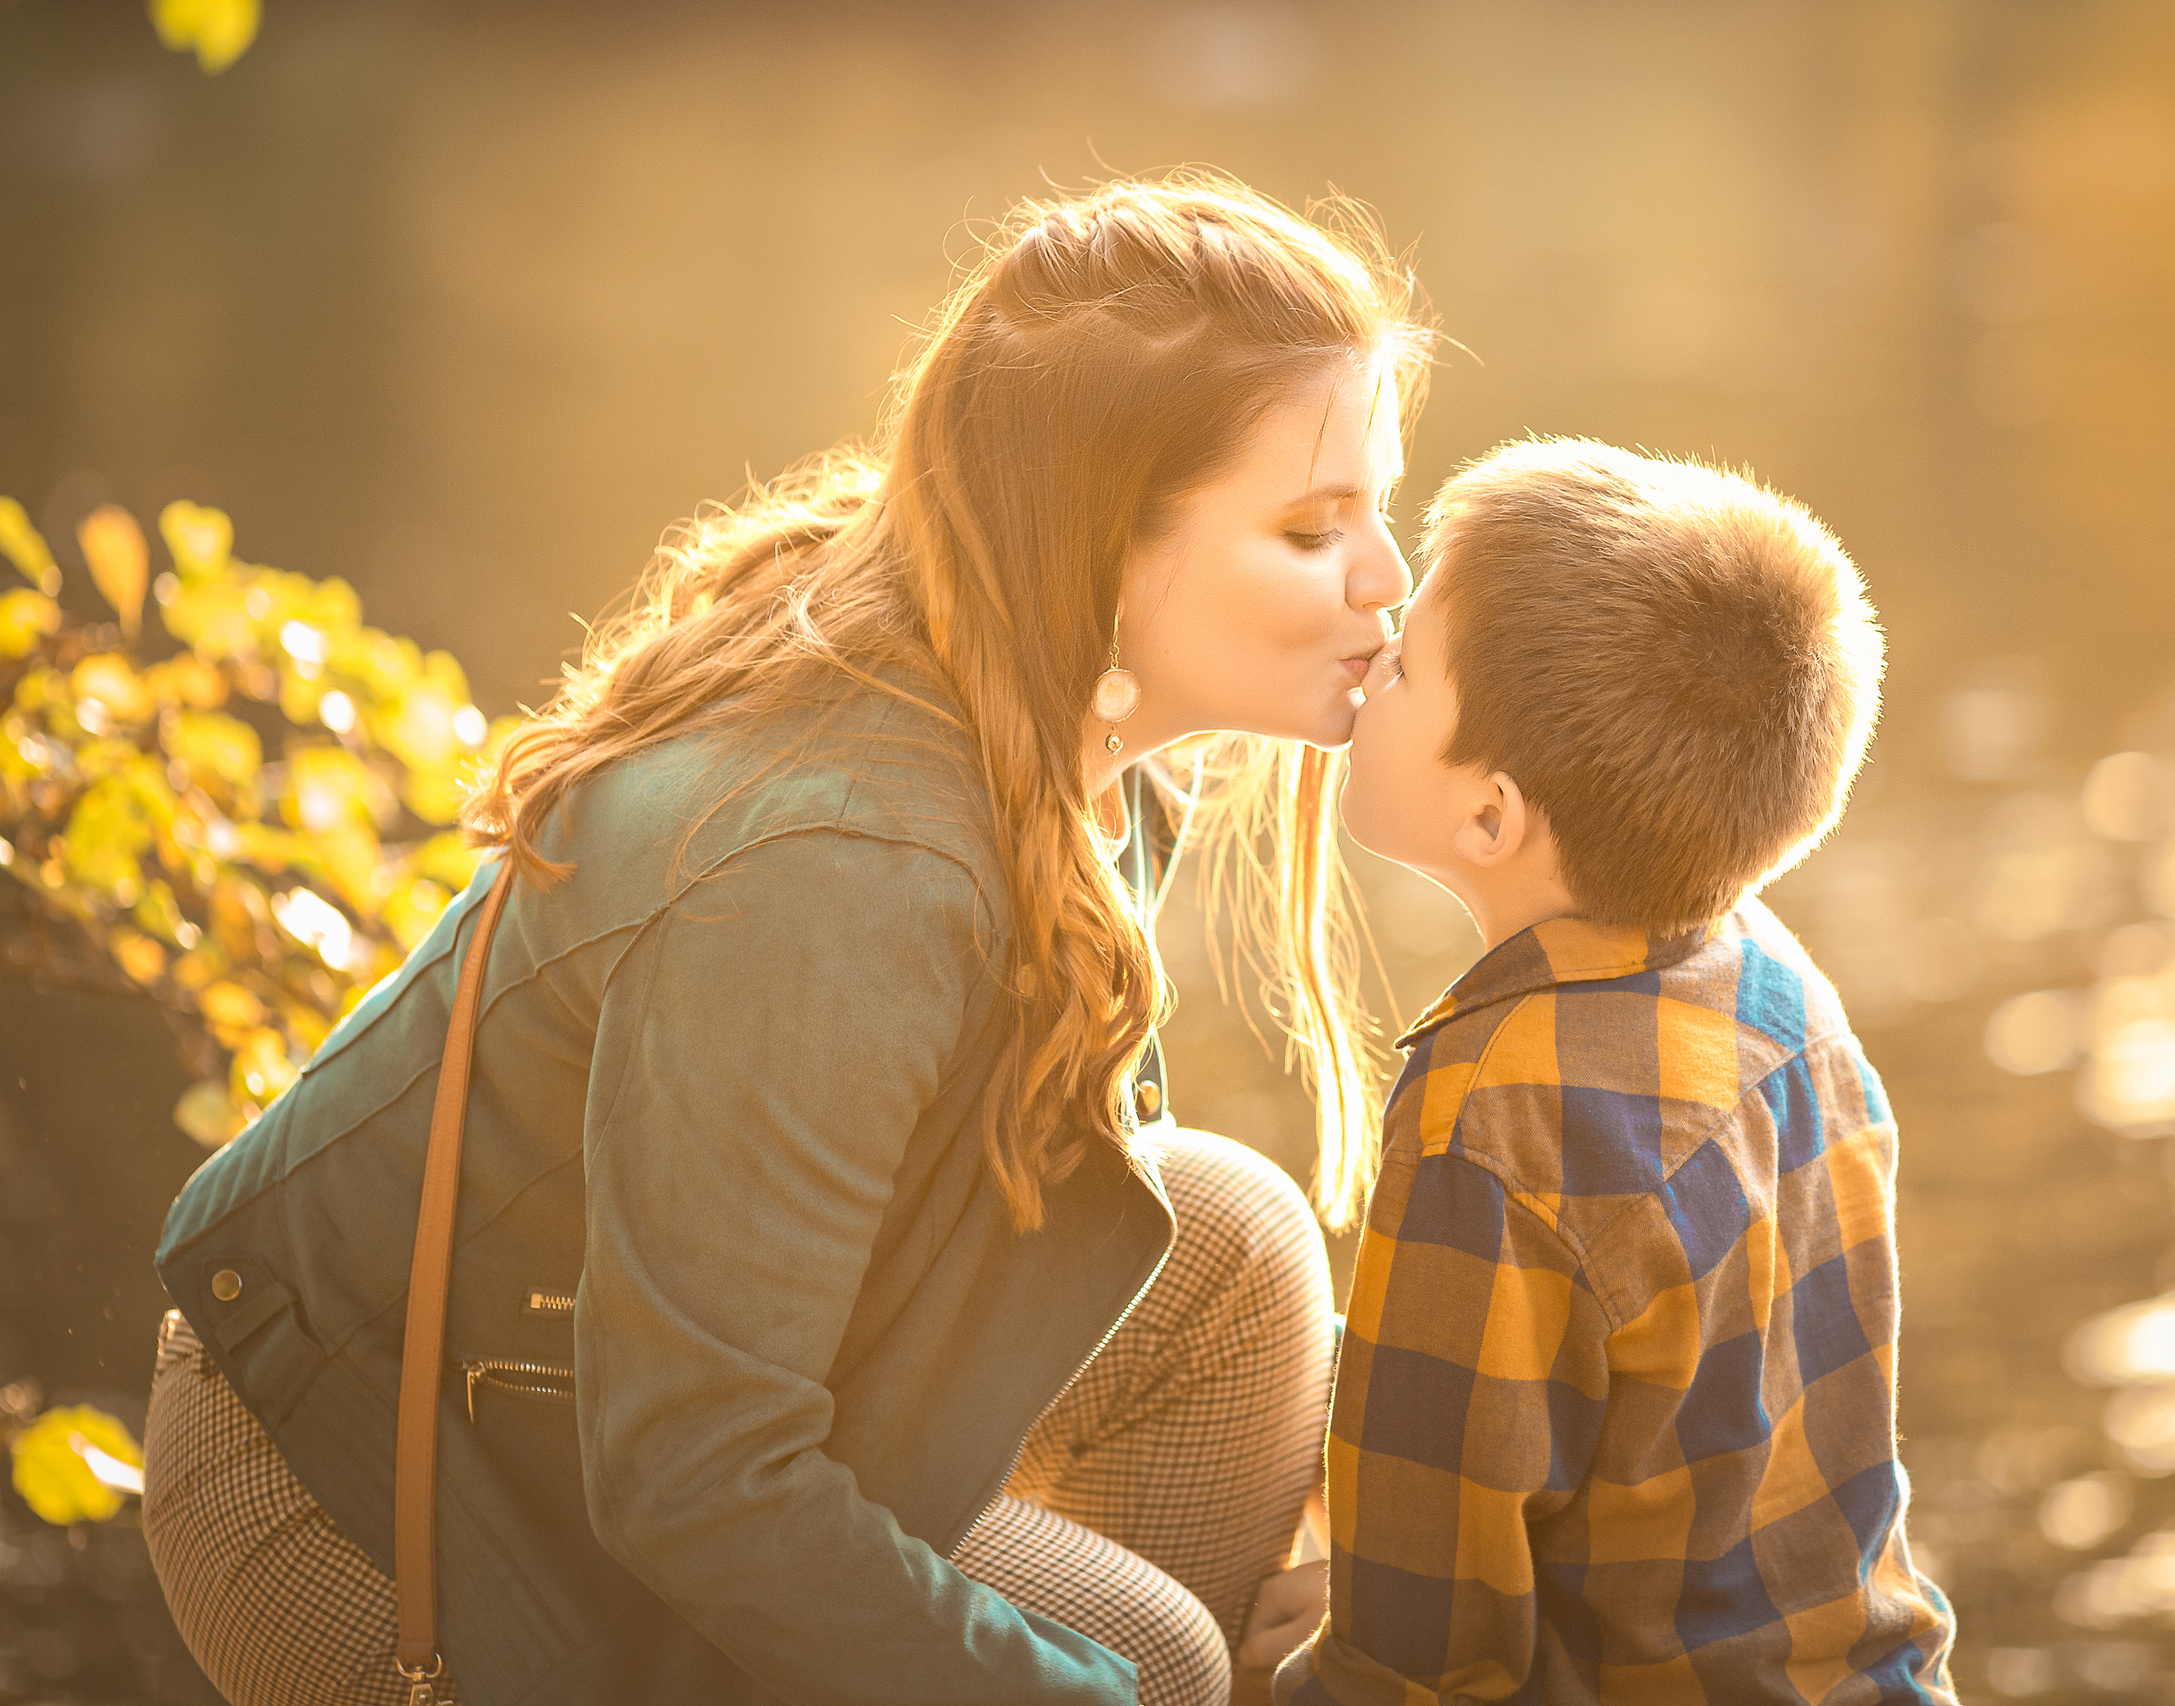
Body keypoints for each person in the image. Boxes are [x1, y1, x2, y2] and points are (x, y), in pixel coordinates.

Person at [141, 173, 1430, 1706]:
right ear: (1101, 542)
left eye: (1381, 508)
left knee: (1234, 1254)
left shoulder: (1060, 720)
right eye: (1312, 528)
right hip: (375, 1470)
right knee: (1149, 1665)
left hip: (612, 1400)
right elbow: (693, 1469)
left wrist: (1408, 1533)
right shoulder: (836, 879)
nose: (1392, 581)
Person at [1274, 440, 1958, 1704]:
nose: (1372, 661)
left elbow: (1417, 1670)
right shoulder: (1778, 990)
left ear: (1491, 815)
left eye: (1406, 666)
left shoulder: (1489, 1121)